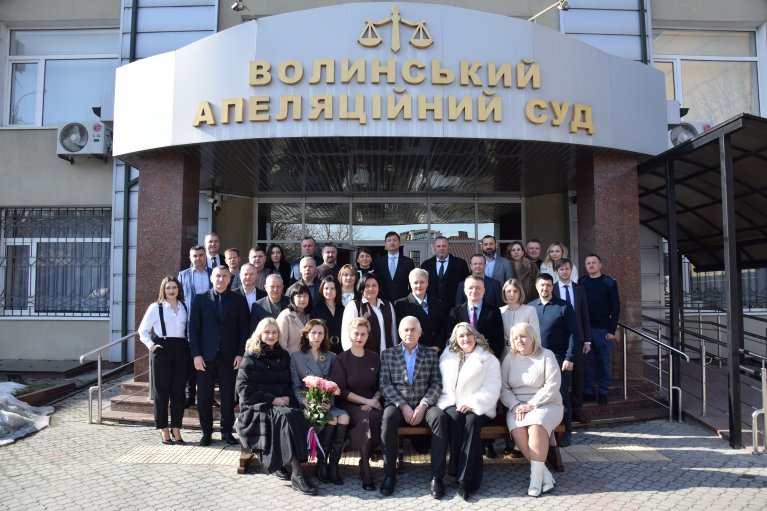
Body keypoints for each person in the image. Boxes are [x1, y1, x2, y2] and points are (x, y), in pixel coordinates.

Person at [235, 318, 317, 495]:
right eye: (267, 332)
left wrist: (286, 397)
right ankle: (297, 474)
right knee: (285, 418)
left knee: (296, 415)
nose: (271, 335)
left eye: (274, 332)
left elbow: (288, 383)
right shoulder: (251, 355)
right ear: (260, 334)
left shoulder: (283, 354)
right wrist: (273, 400)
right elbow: (243, 389)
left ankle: (284, 462)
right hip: (257, 407)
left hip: (280, 404)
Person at [379, 316, 447, 499]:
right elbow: (385, 385)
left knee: (440, 418)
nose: (409, 333)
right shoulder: (387, 354)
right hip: (398, 405)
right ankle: (389, 475)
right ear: (399, 332)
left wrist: (423, 405)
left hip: (424, 405)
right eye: (406, 330)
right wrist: (402, 405)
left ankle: (437, 477)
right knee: (387, 418)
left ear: (420, 332)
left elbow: (436, 383)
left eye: (413, 329)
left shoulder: (430, 354)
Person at [437, 323, 501, 501]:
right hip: (452, 403)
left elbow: (492, 387)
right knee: (454, 418)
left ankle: (465, 480)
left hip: (479, 406)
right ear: (456, 339)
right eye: (461, 336)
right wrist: (452, 403)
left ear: (475, 336)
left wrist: (472, 404)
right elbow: (441, 385)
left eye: (469, 334)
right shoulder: (447, 357)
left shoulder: (488, 358)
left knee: (471, 422)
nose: (466, 339)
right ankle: (456, 471)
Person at [500, 322, 563, 497]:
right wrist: (515, 404)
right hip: (517, 405)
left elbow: (552, 385)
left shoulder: (546, 355)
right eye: (515, 338)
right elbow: (503, 387)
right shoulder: (509, 359)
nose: (519, 341)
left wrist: (532, 404)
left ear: (532, 337)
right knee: (518, 429)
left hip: (546, 403)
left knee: (536, 425)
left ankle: (535, 480)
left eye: (523, 336)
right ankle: (545, 475)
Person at [189, 266, 250, 447]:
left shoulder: (239, 300)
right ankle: (206, 432)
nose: (221, 279)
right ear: (211, 278)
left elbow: (244, 329)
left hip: (229, 357)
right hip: (205, 357)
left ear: (230, 279)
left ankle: (226, 431)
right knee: (204, 397)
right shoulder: (200, 299)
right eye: (218, 276)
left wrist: (240, 353)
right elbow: (193, 329)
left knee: (228, 397)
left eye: (224, 276)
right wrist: (196, 355)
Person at [290, 319, 350, 485]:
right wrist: (304, 401)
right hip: (307, 403)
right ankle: (321, 462)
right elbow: (296, 386)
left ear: (325, 336)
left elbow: (333, 383)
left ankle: (333, 464)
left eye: (320, 333)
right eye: (313, 333)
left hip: (326, 402)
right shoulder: (296, 357)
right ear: (306, 335)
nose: (317, 336)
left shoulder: (331, 356)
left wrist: (328, 401)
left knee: (344, 417)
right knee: (332, 419)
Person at [330, 318, 383, 491]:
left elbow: (381, 385)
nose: (359, 337)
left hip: (372, 403)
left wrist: (374, 400)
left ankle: (365, 460)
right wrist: (366, 402)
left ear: (368, 336)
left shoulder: (374, 357)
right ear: (349, 334)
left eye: (363, 334)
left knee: (380, 419)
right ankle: (365, 467)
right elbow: (341, 390)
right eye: (356, 334)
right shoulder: (341, 359)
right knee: (366, 420)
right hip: (350, 404)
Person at [137, 276, 189, 445]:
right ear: (163, 290)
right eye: (168, 288)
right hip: (162, 349)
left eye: (174, 287)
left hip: (181, 348)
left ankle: (176, 428)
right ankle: (164, 429)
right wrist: (152, 346)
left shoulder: (184, 306)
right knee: (161, 392)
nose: (171, 290)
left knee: (178, 392)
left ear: (179, 289)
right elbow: (142, 331)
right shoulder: (156, 307)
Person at [530, 273, 580, 446]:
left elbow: (574, 333)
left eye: (548, 285)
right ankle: (545, 430)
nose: (545, 288)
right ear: (537, 287)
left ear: (553, 287)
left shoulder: (564, 306)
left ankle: (566, 431)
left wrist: (570, 357)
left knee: (562, 395)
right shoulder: (530, 307)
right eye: (542, 285)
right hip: (535, 359)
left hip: (559, 359)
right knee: (539, 395)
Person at [554, 258, 592, 424]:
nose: (564, 272)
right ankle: (562, 408)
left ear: (571, 270)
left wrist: (587, 340)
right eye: (561, 269)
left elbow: (585, 315)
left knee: (578, 375)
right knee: (559, 376)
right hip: (558, 339)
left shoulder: (579, 289)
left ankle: (577, 407)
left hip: (577, 339)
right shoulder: (552, 289)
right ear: (556, 272)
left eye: (567, 269)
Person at [579, 254, 620, 405]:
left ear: (600, 265)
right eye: (588, 263)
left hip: (603, 330)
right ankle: (588, 391)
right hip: (586, 330)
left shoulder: (609, 282)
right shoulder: (581, 282)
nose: (591, 265)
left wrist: (612, 330)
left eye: (594, 262)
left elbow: (616, 307)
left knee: (604, 363)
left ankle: (603, 392)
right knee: (588, 363)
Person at [177, 244, 211, 407]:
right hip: (191, 322)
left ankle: (208, 395)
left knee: (209, 359)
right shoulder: (183, 275)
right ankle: (190, 395)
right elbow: (179, 298)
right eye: (195, 256)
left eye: (201, 255)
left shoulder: (214, 273)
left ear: (205, 256)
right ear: (190, 258)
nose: (198, 258)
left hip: (211, 322)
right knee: (192, 360)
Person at [448, 275, 505, 360]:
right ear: (465, 290)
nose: (474, 291)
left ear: (484, 291)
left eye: (478, 288)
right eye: (470, 288)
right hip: (462, 360)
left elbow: (498, 339)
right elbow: (451, 338)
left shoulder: (494, 312)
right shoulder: (455, 312)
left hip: (487, 360)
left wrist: (492, 359)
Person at [394, 268, 449, 352]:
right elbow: (402, 331)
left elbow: (443, 327)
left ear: (427, 283)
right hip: (413, 351)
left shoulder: (438, 303)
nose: (419, 285)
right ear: (410, 284)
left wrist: (437, 346)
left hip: (435, 351)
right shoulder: (401, 305)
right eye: (415, 282)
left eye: (422, 282)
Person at [341, 273, 397, 352]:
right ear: (362, 287)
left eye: (374, 285)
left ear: (379, 287)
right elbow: (346, 335)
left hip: (388, 356)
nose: (371, 288)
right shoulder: (354, 305)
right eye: (367, 286)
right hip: (364, 356)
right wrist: (353, 355)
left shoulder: (388, 305)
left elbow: (393, 332)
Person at [420, 236, 470, 307]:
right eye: (438, 246)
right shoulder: (426, 265)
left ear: (449, 247)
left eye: (444, 246)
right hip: (431, 307)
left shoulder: (461, 264)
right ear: (434, 248)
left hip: (454, 307)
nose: (441, 248)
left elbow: (466, 286)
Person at [500, 278, 541, 359]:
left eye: (515, 291)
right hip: (505, 355)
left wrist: (537, 356)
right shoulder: (500, 311)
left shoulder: (530, 310)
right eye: (508, 291)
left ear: (520, 293)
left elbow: (536, 337)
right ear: (504, 293)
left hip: (526, 354)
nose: (512, 294)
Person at [372, 231, 416, 302]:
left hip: (403, 301)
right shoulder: (378, 262)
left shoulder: (408, 262)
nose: (392, 243)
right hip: (383, 301)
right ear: (385, 244)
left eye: (395, 240)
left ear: (399, 243)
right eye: (389, 240)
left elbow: (412, 282)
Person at [311, 276, 344, 353]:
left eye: (332, 288)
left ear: (337, 290)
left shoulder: (343, 309)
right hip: (323, 350)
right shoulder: (316, 310)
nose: (329, 291)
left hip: (341, 350)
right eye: (326, 288)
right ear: (321, 290)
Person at [276, 283, 312, 354]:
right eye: (299, 296)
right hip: (291, 358)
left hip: (309, 357)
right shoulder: (285, 315)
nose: (302, 299)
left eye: (305, 296)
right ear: (293, 299)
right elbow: (281, 343)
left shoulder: (311, 315)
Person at [237, 263, 269, 335]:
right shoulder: (232, 295)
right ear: (240, 276)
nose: (248, 277)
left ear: (257, 276)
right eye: (245, 274)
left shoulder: (265, 296)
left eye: (251, 274)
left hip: (259, 335)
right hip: (238, 336)